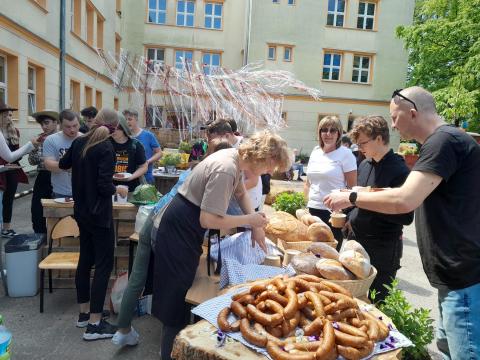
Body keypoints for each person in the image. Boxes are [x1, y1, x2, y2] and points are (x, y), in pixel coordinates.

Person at [324, 86, 480, 358]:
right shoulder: (443, 141)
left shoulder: (442, 142)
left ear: (412, 113)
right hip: (453, 274)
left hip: (462, 273)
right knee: (447, 350)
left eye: (395, 118)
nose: (393, 126)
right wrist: (358, 193)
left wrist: (351, 196)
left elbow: (405, 201)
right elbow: (403, 191)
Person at [152, 131, 292, 360]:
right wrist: (249, 221)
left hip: (185, 226)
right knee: (175, 302)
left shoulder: (235, 158)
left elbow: (240, 192)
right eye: (272, 166)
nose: (270, 172)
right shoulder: (226, 167)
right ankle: (168, 354)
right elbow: (208, 220)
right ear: (264, 157)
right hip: (179, 229)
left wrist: (256, 225)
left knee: (181, 293)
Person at [111, 138, 232, 347]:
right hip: (159, 223)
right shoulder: (211, 175)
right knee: (142, 277)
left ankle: (125, 329)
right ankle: (126, 330)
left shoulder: (199, 168)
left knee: (142, 277)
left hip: (157, 218)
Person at [59, 109, 128, 340]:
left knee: (85, 260)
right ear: (114, 127)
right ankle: (95, 325)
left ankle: (84, 315)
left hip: (82, 213)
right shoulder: (106, 147)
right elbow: (103, 186)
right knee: (103, 266)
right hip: (99, 216)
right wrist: (117, 188)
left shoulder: (79, 142)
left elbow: (62, 163)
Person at [347, 115, 414, 301]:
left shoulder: (399, 170)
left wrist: (369, 200)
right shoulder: (364, 164)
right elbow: (359, 200)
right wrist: (348, 215)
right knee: (352, 300)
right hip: (356, 243)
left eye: (362, 144)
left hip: (382, 248)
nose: (359, 149)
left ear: (379, 138)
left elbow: (406, 216)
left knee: (379, 302)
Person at [304, 115, 357, 249]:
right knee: (310, 253)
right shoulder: (315, 152)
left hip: (333, 213)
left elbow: (352, 188)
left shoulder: (346, 154)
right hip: (312, 210)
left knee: (329, 257)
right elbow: (308, 183)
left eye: (333, 130)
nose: (328, 134)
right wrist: (304, 206)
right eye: (324, 130)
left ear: (339, 133)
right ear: (319, 132)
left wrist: (346, 213)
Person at [0, 100, 38, 233]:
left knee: (8, 199)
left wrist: (24, 150)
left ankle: (6, 228)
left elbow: (16, 155)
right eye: (6, 115)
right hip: (2, 169)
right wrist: (28, 146)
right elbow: (9, 155)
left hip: (12, 169)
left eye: (10, 115)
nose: (9, 118)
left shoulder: (14, 131)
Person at [29, 110, 59, 233]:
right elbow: (31, 161)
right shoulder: (39, 138)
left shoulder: (61, 138)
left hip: (58, 175)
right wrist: (35, 147)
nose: (44, 126)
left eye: (47, 123)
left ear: (55, 123)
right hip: (42, 176)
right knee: (37, 209)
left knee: (58, 208)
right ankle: (40, 237)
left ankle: (59, 236)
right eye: (42, 124)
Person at [43, 109, 80, 198]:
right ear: (60, 125)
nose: (72, 130)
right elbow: (48, 164)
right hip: (61, 192)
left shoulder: (86, 138)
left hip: (82, 190)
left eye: (75, 125)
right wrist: (69, 166)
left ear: (79, 123)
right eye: (68, 126)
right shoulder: (51, 140)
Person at [123, 108, 162, 184]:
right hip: (128, 177)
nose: (127, 122)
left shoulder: (148, 135)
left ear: (136, 120)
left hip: (146, 177)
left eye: (130, 119)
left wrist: (148, 161)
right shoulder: (124, 136)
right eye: (125, 120)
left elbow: (159, 153)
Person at [111, 114, 147, 192]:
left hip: (131, 189)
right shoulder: (106, 144)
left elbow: (144, 167)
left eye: (117, 128)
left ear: (123, 128)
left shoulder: (135, 145)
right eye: (111, 128)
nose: (113, 131)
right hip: (110, 189)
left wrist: (131, 177)